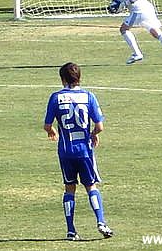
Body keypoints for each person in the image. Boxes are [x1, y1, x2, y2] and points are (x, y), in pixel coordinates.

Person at [44, 62, 114, 241]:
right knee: (91, 185)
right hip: (84, 151)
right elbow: (99, 126)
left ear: (62, 79)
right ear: (79, 77)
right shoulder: (88, 96)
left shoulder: (55, 97)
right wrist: (93, 134)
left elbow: (47, 125)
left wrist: (52, 131)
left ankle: (70, 230)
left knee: (69, 188)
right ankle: (101, 222)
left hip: (66, 151)